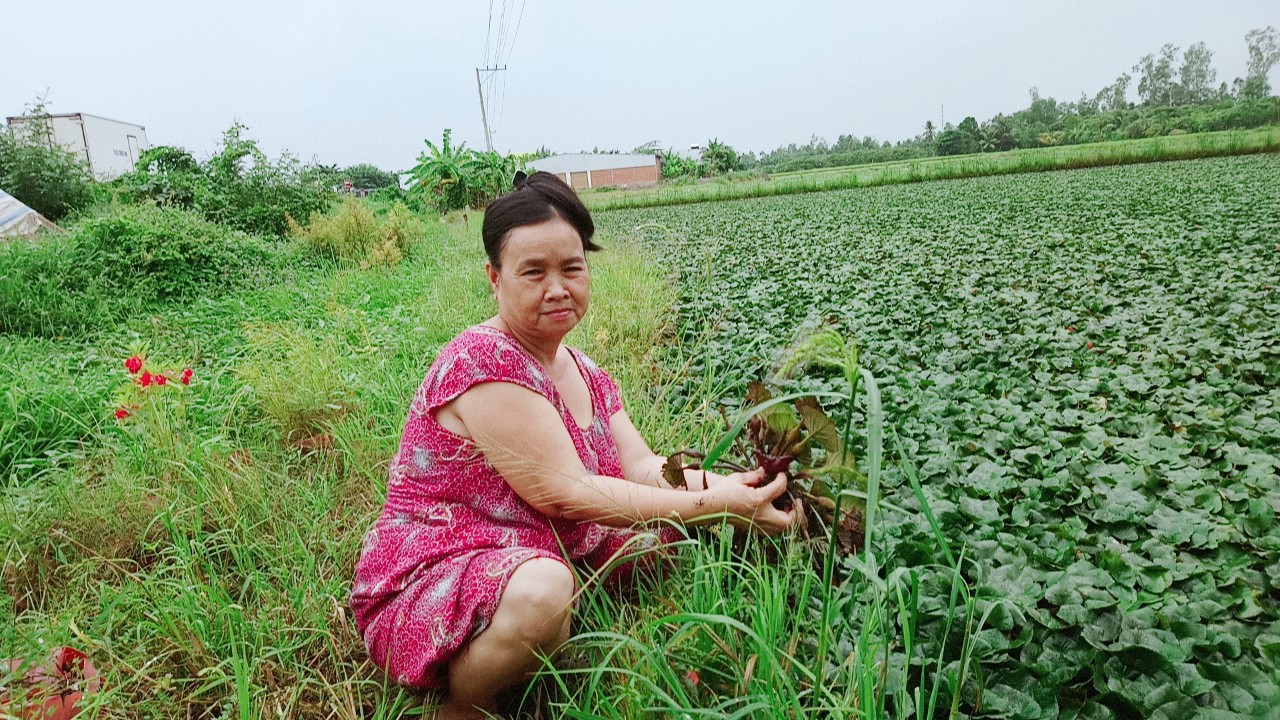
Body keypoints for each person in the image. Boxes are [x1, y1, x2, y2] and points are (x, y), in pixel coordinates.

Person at [350, 171, 803, 719]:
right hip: (441, 572)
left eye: (572, 268)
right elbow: (567, 494)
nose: (558, 287)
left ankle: (548, 630)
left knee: (667, 541)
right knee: (547, 590)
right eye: (533, 272)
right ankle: (465, 704)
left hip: (542, 547)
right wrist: (718, 507)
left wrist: (736, 488)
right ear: (494, 278)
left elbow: (641, 465)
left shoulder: (583, 369)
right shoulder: (481, 362)